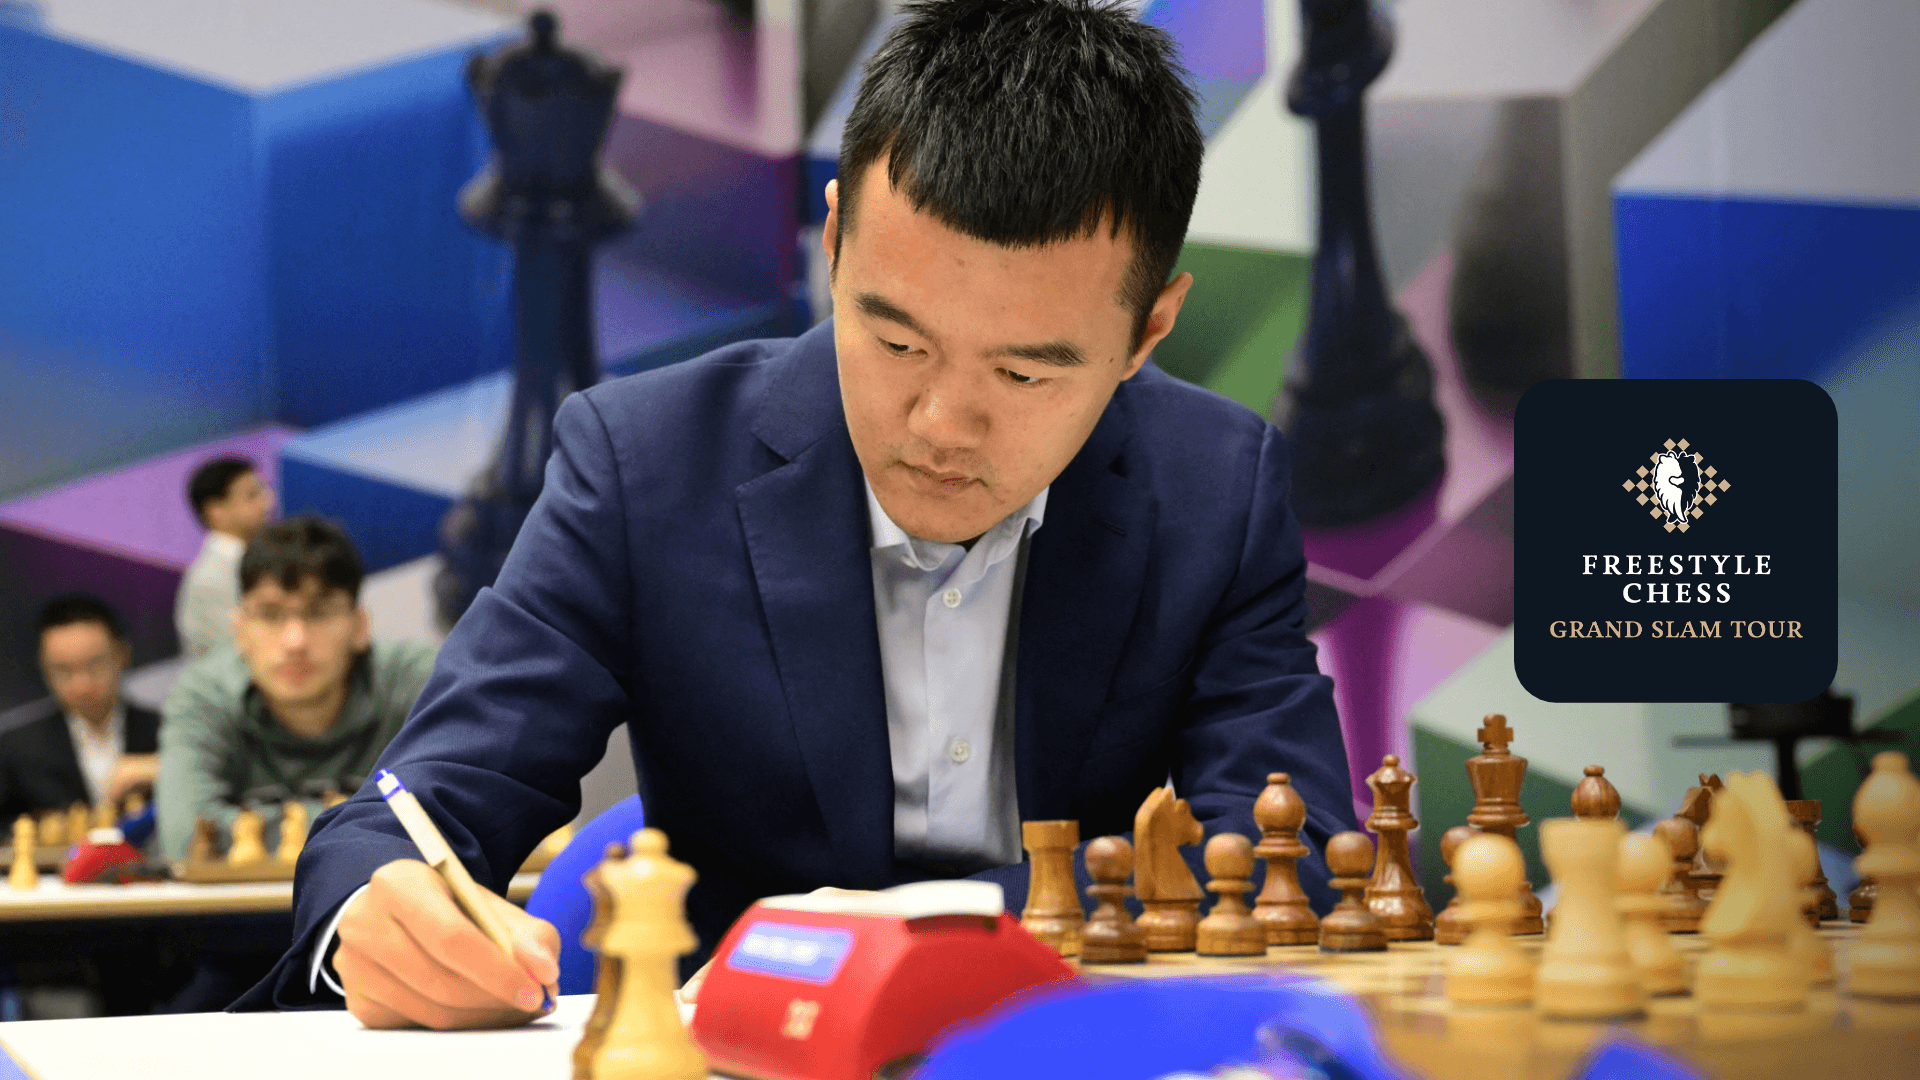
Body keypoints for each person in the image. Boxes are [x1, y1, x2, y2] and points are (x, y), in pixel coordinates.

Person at [238, 0, 1356, 1029]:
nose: (940, 425)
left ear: (1150, 328)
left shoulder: (1214, 485)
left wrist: (948, 934)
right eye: (896, 339)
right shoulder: (647, 465)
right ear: (833, 242)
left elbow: (1292, 847)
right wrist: (375, 911)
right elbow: (414, 810)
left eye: (1023, 374)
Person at [156, 516, 437, 860]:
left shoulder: (416, 681)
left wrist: (256, 829)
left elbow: (457, 816)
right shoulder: (205, 695)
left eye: (318, 613)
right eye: (270, 615)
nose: (295, 641)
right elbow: (186, 837)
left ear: (360, 626)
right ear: (240, 631)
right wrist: (382, 827)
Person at [0, 595, 160, 822]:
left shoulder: (167, 731)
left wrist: (163, 767)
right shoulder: (17, 749)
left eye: (94, 663)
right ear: (44, 668)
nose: (82, 685)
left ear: (122, 655)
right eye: (63, 670)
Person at [175, 456, 276, 661]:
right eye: (252, 495)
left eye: (263, 491)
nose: (267, 502)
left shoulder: (251, 560)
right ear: (216, 511)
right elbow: (246, 651)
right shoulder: (212, 578)